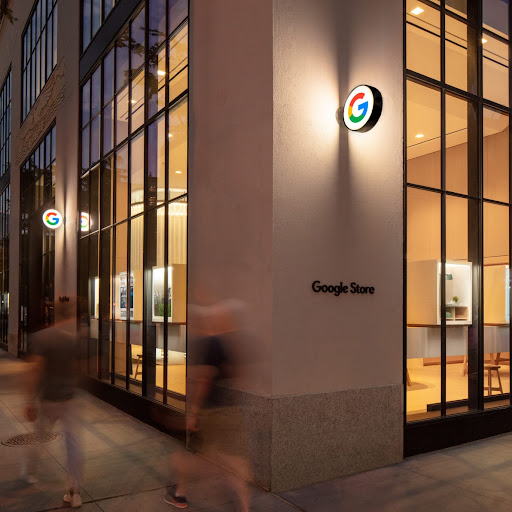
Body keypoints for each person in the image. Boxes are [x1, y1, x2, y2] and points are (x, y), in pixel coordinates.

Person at [165, 300, 252, 511]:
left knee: (187, 454)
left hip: (209, 411)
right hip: (229, 410)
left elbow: (204, 378)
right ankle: (245, 507)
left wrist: (193, 412)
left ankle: (180, 494)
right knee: (234, 462)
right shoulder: (231, 342)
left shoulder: (209, 343)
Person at [23, 301, 83, 509]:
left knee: (40, 437)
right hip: (69, 399)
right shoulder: (74, 340)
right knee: (73, 444)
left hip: (48, 398)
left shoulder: (42, 337)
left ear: (55, 315)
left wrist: (30, 400)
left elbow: (35, 370)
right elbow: (77, 368)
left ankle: (31, 472)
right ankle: (74, 490)